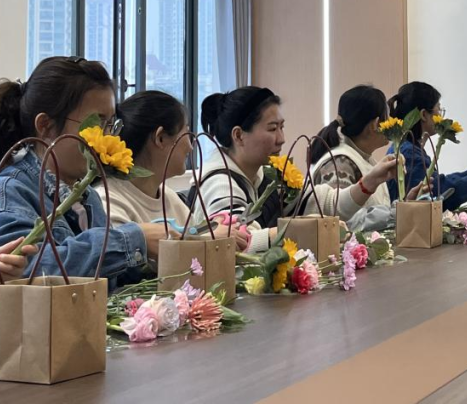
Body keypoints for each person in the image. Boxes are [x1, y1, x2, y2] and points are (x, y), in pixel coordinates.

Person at [0, 57, 166, 283]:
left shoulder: (88, 197)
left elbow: (106, 279)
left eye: (111, 124)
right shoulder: (12, 191)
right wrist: (132, 240)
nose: (107, 137)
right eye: (97, 124)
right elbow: (32, 271)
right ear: (45, 126)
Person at [100, 91, 247, 250]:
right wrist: (207, 241)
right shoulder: (107, 201)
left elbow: (194, 236)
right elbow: (124, 260)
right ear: (160, 138)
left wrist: (211, 231)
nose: (191, 147)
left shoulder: (169, 197)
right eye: (186, 132)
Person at [195, 86, 290, 252]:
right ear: (238, 135)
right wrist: (298, 229)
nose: (282, 139)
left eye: (281, 127)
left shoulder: (262, 175)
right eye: (272, 129)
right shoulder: (220, 185)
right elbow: (240, 241)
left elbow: (307, 200)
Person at [386, 81, 467, 211]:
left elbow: (437, 182)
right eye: (439, 110)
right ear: (424, 115)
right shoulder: (408, 153)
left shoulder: (408, 147)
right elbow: (435, 195)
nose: (441, 116)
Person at [308, 85, 401, 228]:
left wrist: (407, 205)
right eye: (386, 118)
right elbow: (342, 223)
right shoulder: (340, 163)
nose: (390, 123)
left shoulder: (363, 158)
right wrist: (396, 214)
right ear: (375, 124)